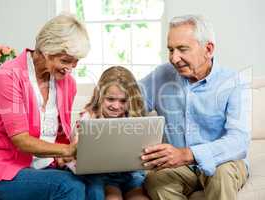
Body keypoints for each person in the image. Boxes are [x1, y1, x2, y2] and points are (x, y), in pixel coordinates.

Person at [0, 13, 92, 200]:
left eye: (75, 61)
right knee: (69, 186)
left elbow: (61, 134)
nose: (71, 68)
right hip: (6, 170)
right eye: (65, 60)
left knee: (95, 182)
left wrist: (74, 149)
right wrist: (68, 150)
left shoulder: (67, 83)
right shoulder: (8, 76)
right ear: (46, 51)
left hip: (47, 167)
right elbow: (21, 140)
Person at [140, 14, 251, 200]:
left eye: (182, 49)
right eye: (171, 50)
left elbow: (239, 141)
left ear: (208, 49)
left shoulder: (233, 82)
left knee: (221, 176)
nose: (174, 58)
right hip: (179, 168)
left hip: (223, 161)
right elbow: (129, 100)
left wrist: (188, 154)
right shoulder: (161, 75)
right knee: (156, 181)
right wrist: (99, 107)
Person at [74, 66, 149, 200]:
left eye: (123, 101)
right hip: (103, 175)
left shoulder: (134, 117)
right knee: (113, 197)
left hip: (131, 173)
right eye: (110, 99)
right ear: (100, 96)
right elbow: (76, 146)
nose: (116, 106)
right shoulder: (89, 117)